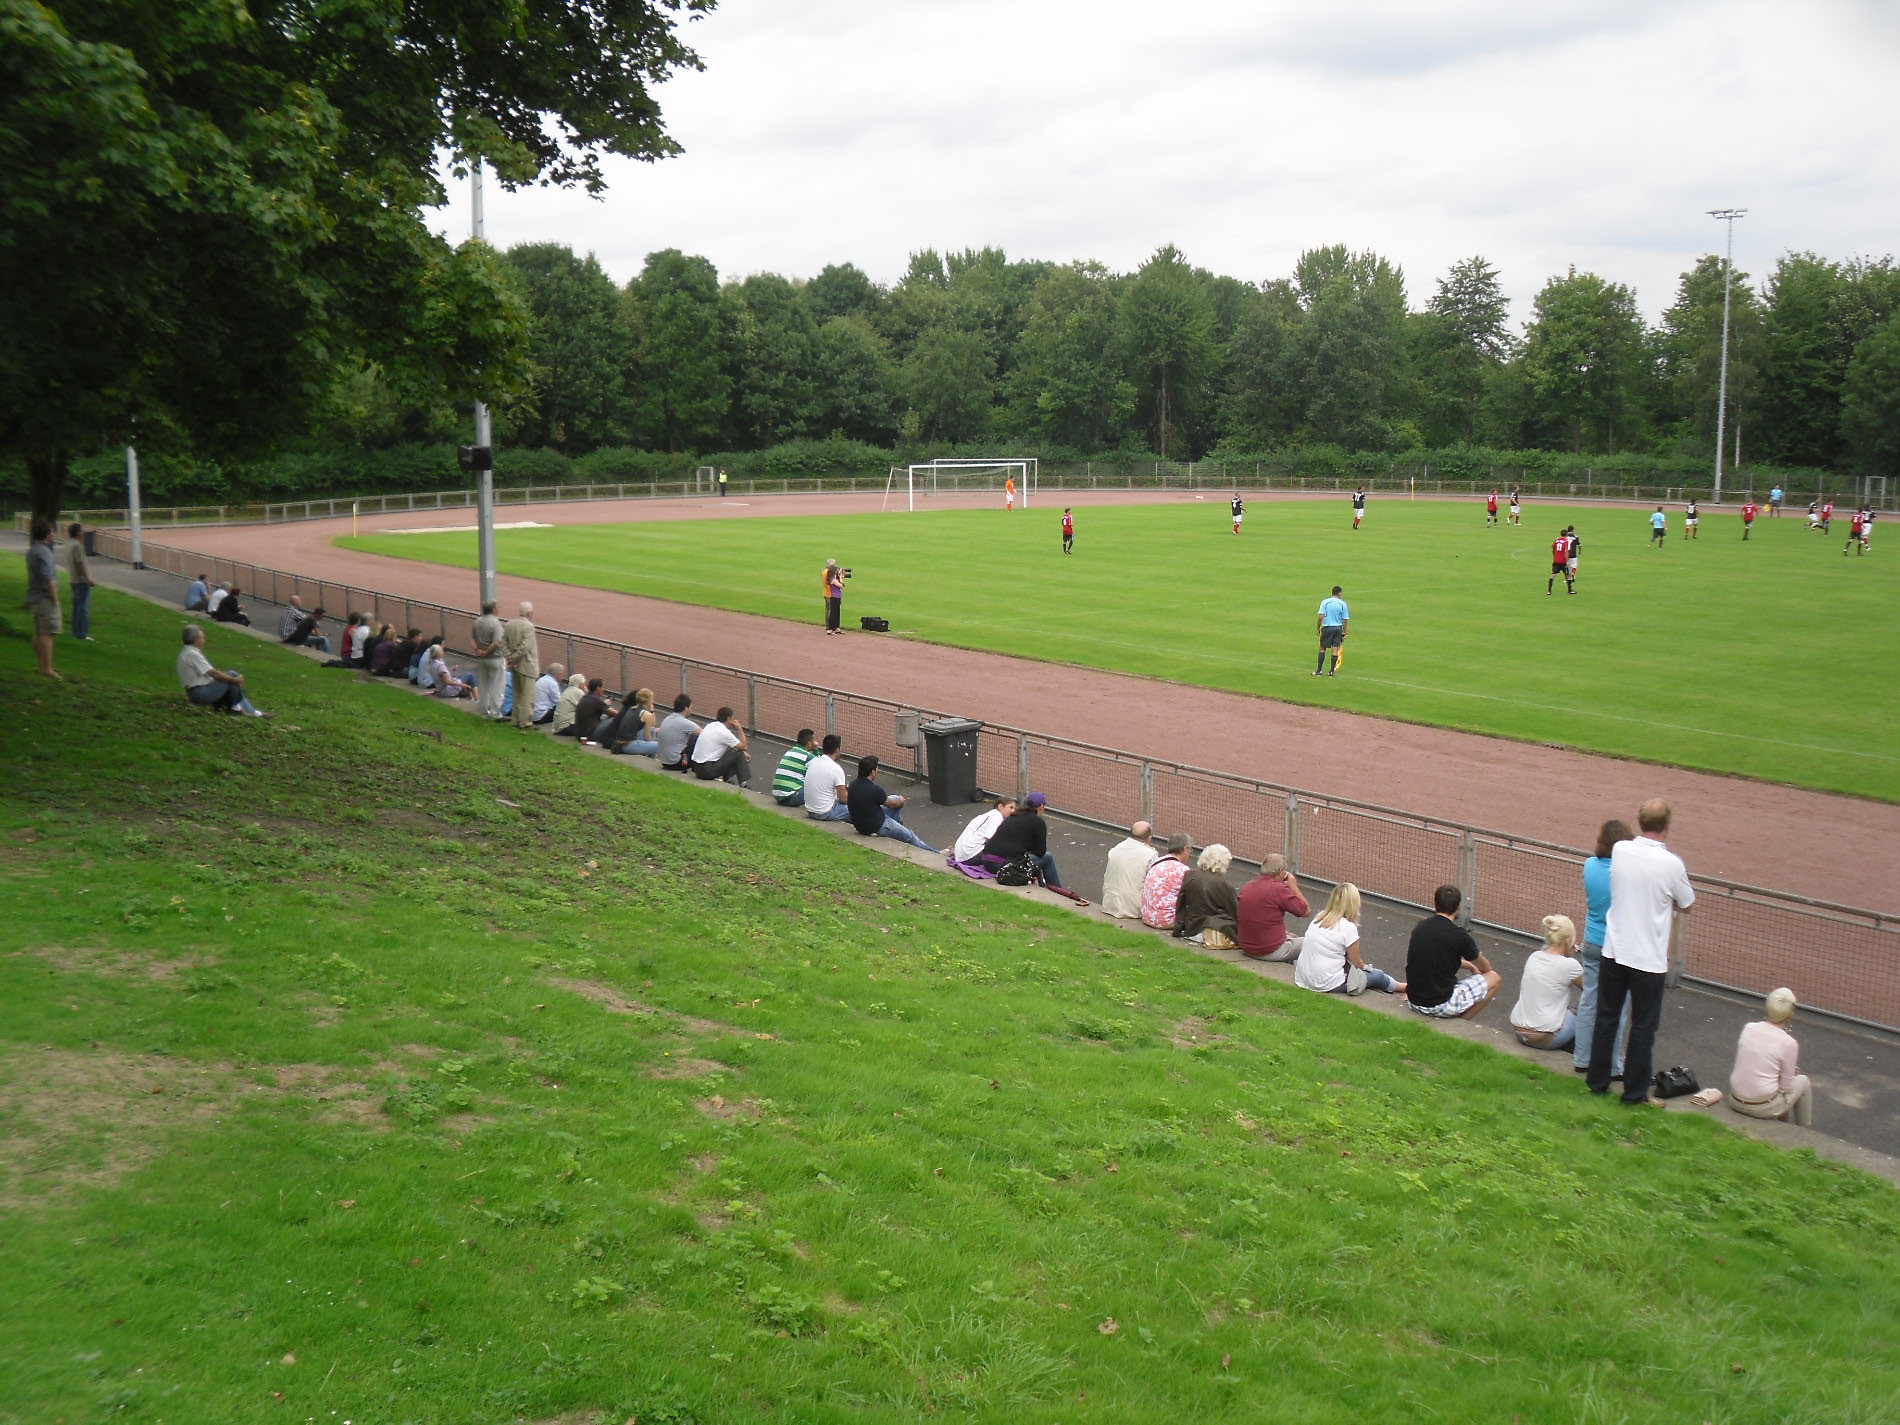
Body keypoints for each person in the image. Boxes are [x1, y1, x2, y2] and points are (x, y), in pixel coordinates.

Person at [1588, 798, 1694, 1106]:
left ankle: (1597, 1081)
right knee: (1643, 1028)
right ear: (1667, 825)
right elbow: (1687, 903)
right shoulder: (1672, 864)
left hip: (1615, 950)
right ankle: (1634, 1093)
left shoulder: (1622, 850)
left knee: (1606, 1018)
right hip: (1647, 959)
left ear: (1640, 821)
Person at [1574, 819, 1635, 1079]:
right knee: (1616, 1007)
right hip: (1617, 946)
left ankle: (1582, 1058)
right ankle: (1611, 1065)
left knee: (1589, 1000)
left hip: (1591, 940)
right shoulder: (1626, 874)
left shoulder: (1590, 865)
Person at [1404, 885, 1501, 1019]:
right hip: (1439, 1005)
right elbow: (1485, 968)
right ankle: (1461, 1022)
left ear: (1436, 903)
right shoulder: (1459, 936)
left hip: (1414, 1001)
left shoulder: (1420, 927)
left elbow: (1438, 957)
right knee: (1494, 978)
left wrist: (1469, 966)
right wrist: (1478, 967)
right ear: (1458, 907)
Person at [1294, 883, 1403, 996]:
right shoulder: (1348, 927)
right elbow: (1357, 963)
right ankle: (1404, 987)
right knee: (1378, 975)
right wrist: (1366, 968)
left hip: (1303, 979)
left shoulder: (1319, 917)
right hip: (1328, 983)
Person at [1728, 988, 1813, 1128]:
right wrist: (1785, 1073)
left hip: (1735, 1100)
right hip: (1761, 1108)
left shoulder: (1749, 1028)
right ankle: (1804, 1131)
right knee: (1803, 1081)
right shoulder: (1788, 1043)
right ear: (1790, 1014)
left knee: (1775, 1086)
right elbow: (1786, 1088)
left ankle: (1783, 1124)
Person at [1510, 915, 1584, 1050]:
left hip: (1519, 1032)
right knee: (1586, 1004)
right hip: (1543, 1039)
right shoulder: (1570, 965)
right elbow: (1590, 988)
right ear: (1568, 940)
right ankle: (1588, 1052)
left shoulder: (1534, 957)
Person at [846, 756, 935, 850]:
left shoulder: (852, 785)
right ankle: (936, 853)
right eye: (877, 769)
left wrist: (897, 800)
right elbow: (892, 804)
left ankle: (896, 826)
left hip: (861, 825)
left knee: (895, 798)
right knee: (910, 836)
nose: (877, 771)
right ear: (872, 772)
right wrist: (901, 802)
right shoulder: (874, 790)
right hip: (877, 826)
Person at [175, 622, 264, 716]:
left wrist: (231, 680)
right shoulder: (192, 654)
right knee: (232, 676)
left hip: (198, 691)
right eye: (203, 638)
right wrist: (234, 680)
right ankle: (241, 710)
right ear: (196, 640)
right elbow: (214, 674)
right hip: (199, 693)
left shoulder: (187, 651)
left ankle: (239, 709)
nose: (204, 640)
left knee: (230, 678)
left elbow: (210, 673)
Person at [1236, 853, 1310, 962]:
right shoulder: (1279, 889)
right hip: (1269, 950)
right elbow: (1305, 911)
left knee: (1291, 937)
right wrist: (1293, 886)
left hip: (1247, 948)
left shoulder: (1247, 886)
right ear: (1281, 871)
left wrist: (1285, 934)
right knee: (1310, 942)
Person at [982, 791, 1062, 886]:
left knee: (1027, 856)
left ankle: (1042, 884)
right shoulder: (1038, 822)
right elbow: (1041, 852)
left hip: (986, 860)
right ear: (1041, 807)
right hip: (1002, 864)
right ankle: (1057, 889)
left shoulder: (1013, 816)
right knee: (1047, 857)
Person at [1172, 844, 1240, 948]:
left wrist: (1178, 929)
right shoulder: (1223, 884)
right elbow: (1235, 911)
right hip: (1213, 931)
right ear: (1222, 862)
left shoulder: (1190, 875)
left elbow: (1181, 904)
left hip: (1191, 929)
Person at [25, 517, 61, 678]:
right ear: (48, 534)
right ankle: (47, 668)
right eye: (52, 531)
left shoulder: (33, 550)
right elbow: (47, 578)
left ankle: (42, 666)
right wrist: (55, 598)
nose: (53, 533)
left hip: (35, 597)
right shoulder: (44, 552)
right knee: (48, 633)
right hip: (45, 598)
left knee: (40, 632)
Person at [1100, 820, 1155, 918]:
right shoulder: (1150, 855)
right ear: (1149, 838)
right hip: (1132, 909)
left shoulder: (1116, 848)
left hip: (1109, 904)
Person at [1139, 832, 1193, 929]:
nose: (1190, 854)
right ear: (1185, 849)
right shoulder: (1183, 870)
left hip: (1147, 916)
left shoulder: (1157, 862)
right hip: (1165, 920)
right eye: (1190, 850)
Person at [690, 706, 751, 786]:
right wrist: (739, 729)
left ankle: (727, 780)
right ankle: (743, 784)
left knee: (732, 751)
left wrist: (742, 751)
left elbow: (729, 745)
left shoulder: (710, 725)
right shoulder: (724, 732)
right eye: (732, 718)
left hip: (697, 768)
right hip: (707, 771)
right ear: (728, 718)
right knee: (739, 754)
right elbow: (744, 746)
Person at [502, 601, 540, 730]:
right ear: (529, 613)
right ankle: (525, 722)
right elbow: (525, 647)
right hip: (526, 665)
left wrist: (509, 657)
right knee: (528, 696)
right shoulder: (529, 626)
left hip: (514, 665)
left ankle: (515, 720)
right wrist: (513, 657)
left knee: (517, 694)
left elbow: (503, 642)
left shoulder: (509, 624)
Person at [801, 733, 851, 820]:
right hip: (825, 812)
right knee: (858, 809)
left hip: (810, 811)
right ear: (837, 750)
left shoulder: (813, 762)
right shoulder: (836, 769)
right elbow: (843, 800)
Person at [953, 796, 1016, 865]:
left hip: (962, 855)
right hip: (970, 856)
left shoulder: (990, 815)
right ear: (1000, 806)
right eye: (1011, 807)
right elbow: (991, 840)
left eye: (1014, 808)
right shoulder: (996, 817)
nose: (1013, 811)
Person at [471, 600, 507, 718]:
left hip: (482, 659)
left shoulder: (477, 621)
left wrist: (478, 651)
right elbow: (496, 642)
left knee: (483, 686)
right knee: (497, 687)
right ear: (493, 609)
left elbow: (472, 640)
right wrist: (486, 652)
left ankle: (483, 712)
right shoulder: (496, 623)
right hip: (495, 658)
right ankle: (496, 713)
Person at [599, 687, 658, 755]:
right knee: (659, 746)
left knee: (652, 730)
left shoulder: (631, 708)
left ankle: (650, 756)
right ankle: (651, 757)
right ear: (648, 700)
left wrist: (651, 710)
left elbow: (652, 725)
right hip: (628, 745)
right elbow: (647, 738)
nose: (653, 701)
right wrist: (649, 744)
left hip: (619, 743)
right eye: (652, 699)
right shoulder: (646, 714)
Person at [655, 692, 700, 769]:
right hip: (678, 763)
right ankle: (699, 766)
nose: (691, 710)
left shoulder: (667, 719)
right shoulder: (684, 722)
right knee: (695, 737)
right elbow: (704, 734)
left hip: (664, 762)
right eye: (690, 707)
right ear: (686, 708)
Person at [65, 522, 94, 641]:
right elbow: (79, 564)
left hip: (73, 579)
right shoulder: (77, 546)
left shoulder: (69, 544)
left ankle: (76, 632)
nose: (83, 532)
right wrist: (87, 579)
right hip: (80, 581)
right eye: (81, 530)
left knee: (77, 607)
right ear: (77, 533)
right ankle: (81, 634)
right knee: (83, 608)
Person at [1313, 584, 1348, 677]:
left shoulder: (1325, 602)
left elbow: (1320, 616)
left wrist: (1318, 628)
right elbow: (1345, 620)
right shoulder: (1343, 604)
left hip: (1327, 627)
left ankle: (1319, 671)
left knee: (1322, 648)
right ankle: (1331, 672)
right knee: (1335, 649)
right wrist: (1344, 632)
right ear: (1339, 593)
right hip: (1338, 628)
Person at [1547, 528, 1574, 595]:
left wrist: (1555, 556)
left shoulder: (1556, 540)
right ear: (1566, 534)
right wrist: (1567, 561)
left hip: (1556, 561)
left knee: (1553, 574)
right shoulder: (1566, 541)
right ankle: (1569, 591)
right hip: (1563, 561)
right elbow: (1566, 551)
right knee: (1568, 575)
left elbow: (1553, 549)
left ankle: (1549, 591)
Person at [821, 558, 844, 635]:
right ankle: (830, 627)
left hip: (828, 592)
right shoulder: (828, 573)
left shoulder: (825, 572)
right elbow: (839, 584)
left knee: (829, 610)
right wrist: (840, 577)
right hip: (830, 593)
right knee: (831, 611)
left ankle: (829, 626)